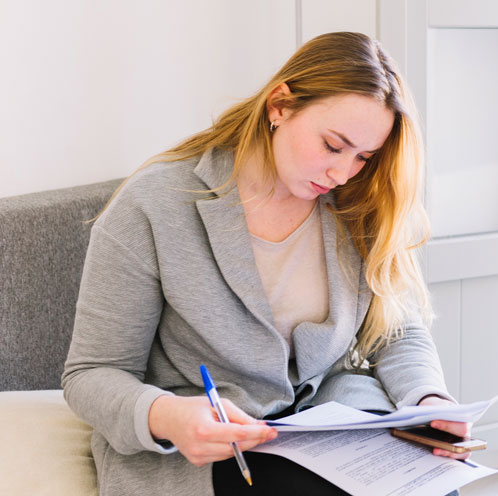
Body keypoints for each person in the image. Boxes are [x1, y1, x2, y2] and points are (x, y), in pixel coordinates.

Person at [62, 31, 468, 496]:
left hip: (329, 423)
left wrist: (427, 399)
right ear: (280, 106)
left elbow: (395, 328)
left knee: (434, 485)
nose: (343, 172)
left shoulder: (356, 201)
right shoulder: (155, 205)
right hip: (213, 445)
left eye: (364, 156)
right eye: (334, 145)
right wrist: (167, 416)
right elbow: (91, 374)